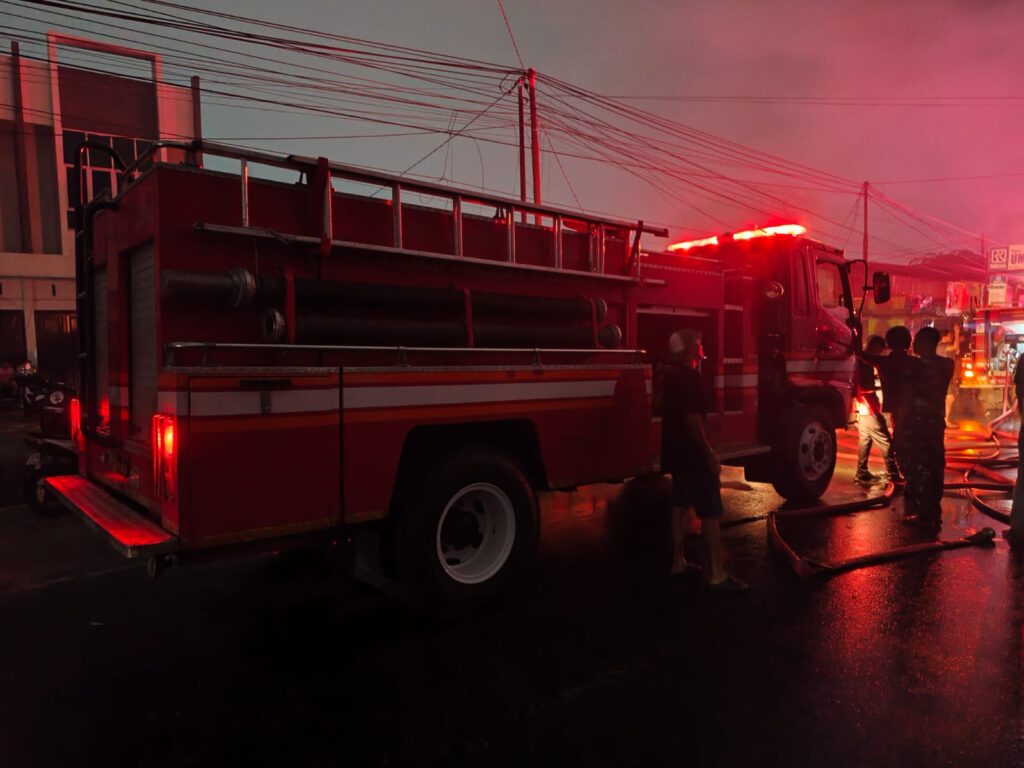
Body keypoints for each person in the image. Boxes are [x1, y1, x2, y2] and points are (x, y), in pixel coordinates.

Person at [662, 328, 748, 591]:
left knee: (679, 507)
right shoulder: (692, 378)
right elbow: (691, 420)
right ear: (690, 350)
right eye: (698, 343)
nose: (702, 346)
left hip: (675, 455)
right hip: (693, 457)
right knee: (709, 514)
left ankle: (678, 562)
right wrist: (709, 453)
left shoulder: (671, 377)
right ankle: (716, 574)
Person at [899, 327, 954, 533]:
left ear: (921, 343)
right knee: (935, 463)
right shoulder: (947, 365)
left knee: (919, 466)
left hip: (917, 422)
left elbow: (906, 398)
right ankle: (933, 510)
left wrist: (899, 430)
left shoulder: (913, 367)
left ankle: (923, 517)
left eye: (916, 341)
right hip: (936, 421)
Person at [857, 325, 914, 478]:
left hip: (895, 409)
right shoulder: (915, 363)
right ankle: (907, 475)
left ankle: (903, 473)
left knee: (897, 442)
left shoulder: (883, 362)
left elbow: (861, 354)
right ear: (909, 343)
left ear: (888, 344)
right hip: (915, 409)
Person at [854, 335, 900, 485]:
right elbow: (864, 386)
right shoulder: (866, 362)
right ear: (875, 346)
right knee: (885, 441)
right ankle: (893, 474)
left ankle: (861, 472)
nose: (881, 352)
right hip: (869, 405)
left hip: (864, 406)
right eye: (880, 349)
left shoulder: (863, 360)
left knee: (865, 439)